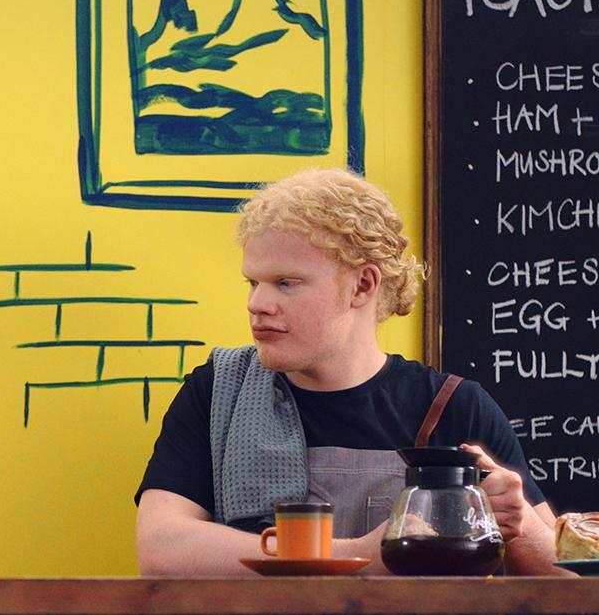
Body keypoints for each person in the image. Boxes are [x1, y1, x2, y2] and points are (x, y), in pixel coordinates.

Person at [135, 168, 559, 575]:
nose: (258, 303)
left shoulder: (451, 406)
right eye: (253, 282)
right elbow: (161, 547)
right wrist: (356, 557)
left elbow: (566, 585)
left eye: (286, 283)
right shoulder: (218, 391)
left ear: (363, 285)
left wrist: (513, 522)